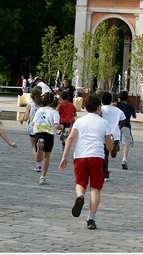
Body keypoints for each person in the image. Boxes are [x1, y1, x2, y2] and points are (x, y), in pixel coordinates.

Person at [58, 95, 113, 230]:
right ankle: (91, 218)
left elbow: (70, 138)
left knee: (80, 182)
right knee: (95, 188)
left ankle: (80, 196)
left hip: (80, 156)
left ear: (85, 107)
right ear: (99, 108)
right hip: (97, 157)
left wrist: (64, 156)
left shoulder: (80, 121)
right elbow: (109, 147)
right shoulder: (104, 123)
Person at [32, 92, 62, 185]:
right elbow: (56, 126)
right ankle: (42, 177)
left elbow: (33, 122)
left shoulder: (39, 110)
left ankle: (40, 148)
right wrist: (62, 127)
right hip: (49, 134)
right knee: (47, 157)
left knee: (38, 157)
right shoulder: (54, 112)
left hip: (38, 132)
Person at [101, 91, 125, 180]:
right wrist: (119, 127)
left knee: (105, 154)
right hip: (115, 133)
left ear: (102, 100)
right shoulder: (118, 110)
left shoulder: (101, 109)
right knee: (113, 155)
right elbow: (123, 121)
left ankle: (105, 172)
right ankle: (114, 145)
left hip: (105, 133)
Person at [19, 86, 43, 171]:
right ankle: (41, 151)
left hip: (32, 127)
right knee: (39, 146)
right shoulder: (43, 104)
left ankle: (38, 165)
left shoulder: (30, 105)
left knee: (34, 147)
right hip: (42, 126)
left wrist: (23, 119)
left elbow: (26, 118)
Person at [111, 90, 136, 170]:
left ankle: (116, 144)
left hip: (118, 125)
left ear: (119, 98)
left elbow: (112, 105)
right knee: (126, 143)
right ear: (127, 98)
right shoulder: (130, 106)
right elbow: (134, 116)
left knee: (115, 139)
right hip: (126, 126)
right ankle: (124, 159)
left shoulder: (118, 104)